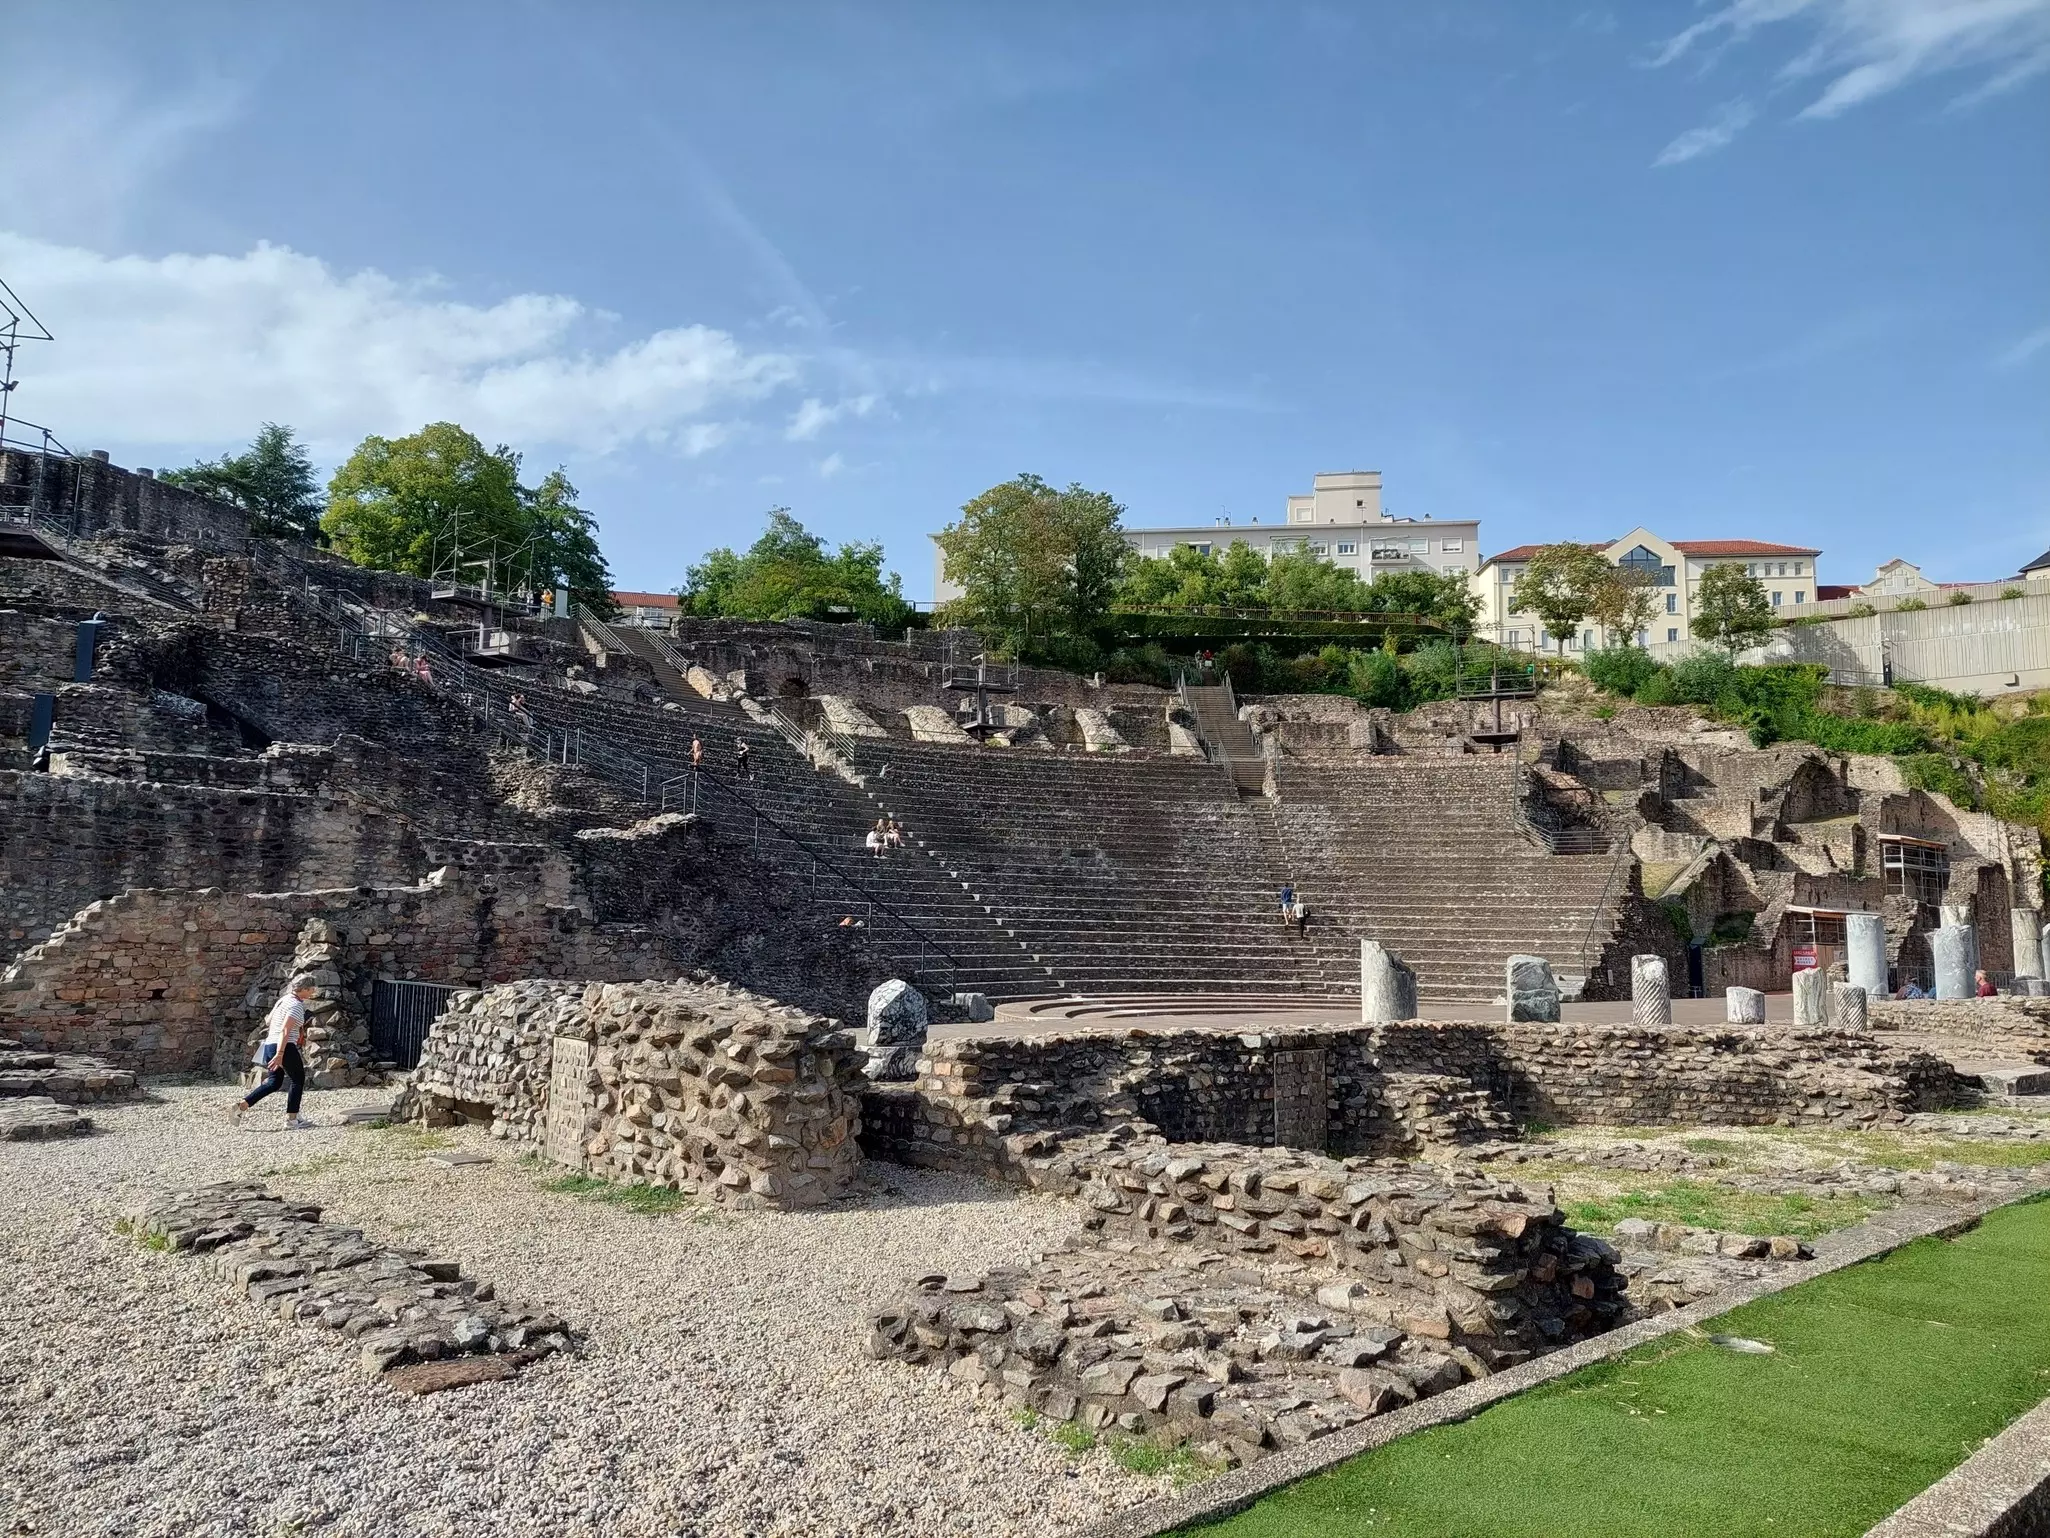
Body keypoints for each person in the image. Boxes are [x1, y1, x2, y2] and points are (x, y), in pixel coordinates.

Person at [232, 974, 316, 1129]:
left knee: (274, 1082)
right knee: (297, 1079)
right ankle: (292, 1119)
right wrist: (280, 1054)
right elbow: (285, 1030)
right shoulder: (296, 1005)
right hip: (284, 1045)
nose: (313, 991)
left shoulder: (283, 1000)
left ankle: (242, 1105)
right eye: (311, 989)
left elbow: (269, 1020)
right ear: (304, 989)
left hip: (270, 1043)